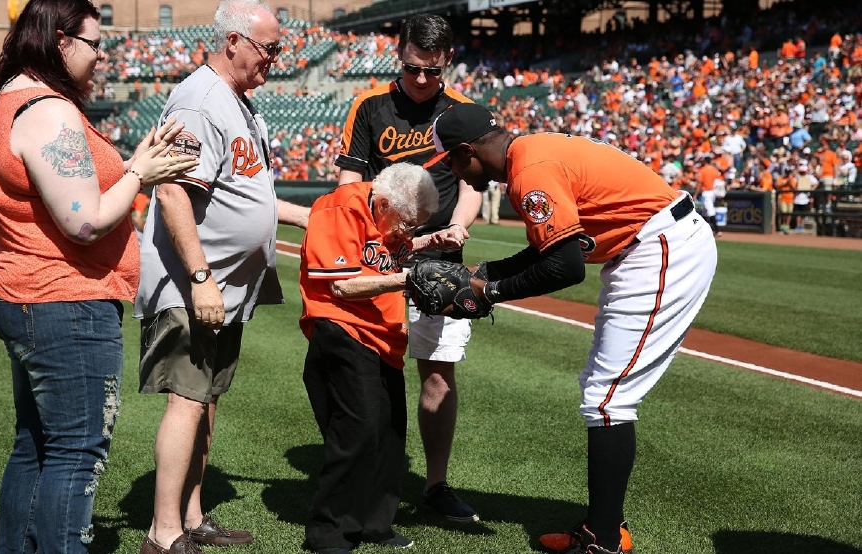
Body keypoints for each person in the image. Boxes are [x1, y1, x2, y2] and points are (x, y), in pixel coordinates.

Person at [427, 103, 718, 554]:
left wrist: (487, 293)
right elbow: (554, 247)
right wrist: (482, 271)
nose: (452, 170)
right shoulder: (530, 153)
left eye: (451, 159)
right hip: (648, 245)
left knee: (608, 399)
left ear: (468, 151)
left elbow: (564, 268)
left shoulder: (531, 173)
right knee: (603, 396)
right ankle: (604, 527)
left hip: (659, 248)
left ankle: (601, 541)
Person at [0, 0, 198, 552]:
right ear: (60, 41)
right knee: (77, 449)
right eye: (95, 43)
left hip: (32, 294)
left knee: (37, 444)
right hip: (63, 300)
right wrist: (141, 173)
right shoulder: (48, 109)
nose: (103, 56)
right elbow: (84, 221)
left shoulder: (15, 98)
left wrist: (135, 161)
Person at [133, 1, 309, 553]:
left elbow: (247, 194)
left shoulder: (238, 102)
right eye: (268, 48)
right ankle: (163, 535)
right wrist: (202, 276)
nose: (275, 59)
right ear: (233, 41)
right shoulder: (201, 100)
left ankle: (191, 515)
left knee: (206, 398)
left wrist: (315, 216)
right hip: (194, 284)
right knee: (187, 398)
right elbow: (172, 190)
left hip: (225, 286)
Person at [334, 13, 483, 523]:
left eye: (434, 71)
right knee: (370, 375)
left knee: (439, 376)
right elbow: (347, 185)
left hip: (440, 263)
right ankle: (373, 481)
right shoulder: (370, 106)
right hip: (377, 260)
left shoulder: (461, 112)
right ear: (401, 57)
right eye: (414, 68)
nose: (423, 80)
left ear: (447, 63)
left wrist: (459, 227)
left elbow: (471, 187)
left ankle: (436, 485)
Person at [299, 163, 440, 554]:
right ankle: (328, 534)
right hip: (344, 328)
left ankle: (375, 524)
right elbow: (343, 284)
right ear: (382, 203)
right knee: (355, 433)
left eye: (419, 225)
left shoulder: (388, 214)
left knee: (389, 433)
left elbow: (383, 252)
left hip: (385, 336)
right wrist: (411, 278)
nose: (409, 232)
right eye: (410, 223)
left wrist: (430, 243)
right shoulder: (340, 208)